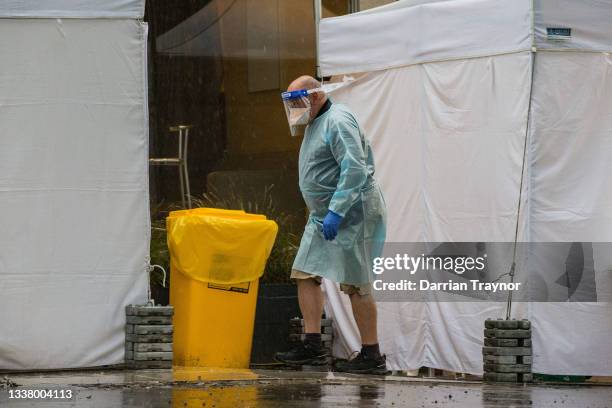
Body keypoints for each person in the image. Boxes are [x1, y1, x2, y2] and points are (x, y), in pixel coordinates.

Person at [275, 75, 388, 375]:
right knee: (305, 271)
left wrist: (337, 211)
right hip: (321, 215)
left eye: (297, 102)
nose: (295, 110)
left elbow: (354, 170)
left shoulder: (338, 121)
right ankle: (312, 344)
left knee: (355, 283)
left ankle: (372, 354)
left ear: (314, 97)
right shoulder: (316, 121)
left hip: (353, 213)